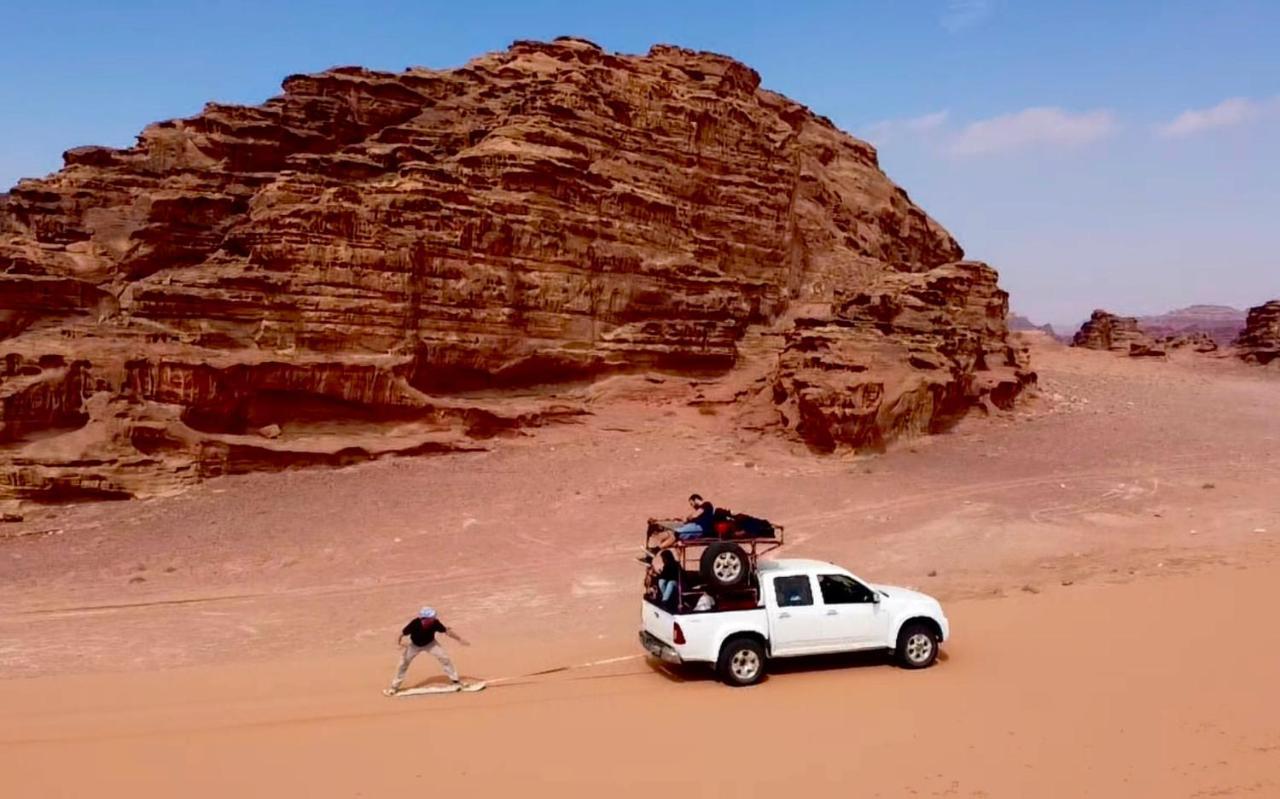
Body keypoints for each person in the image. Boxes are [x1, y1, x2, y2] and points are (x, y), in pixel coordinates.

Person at [384, 606, 469, 695]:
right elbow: (401, 634)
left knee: (445, 658)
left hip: (431, 644)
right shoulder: (415, 623)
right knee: (403, 664)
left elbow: (447, 632)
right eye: (431, 618)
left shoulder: (435, 623)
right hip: (414, 645)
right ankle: (394, 687)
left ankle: (456, 681)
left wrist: (459, 639)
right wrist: (398, 644)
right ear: (424, 619)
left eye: (434, 617)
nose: (434, 619)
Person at [641, 495, 716, 561]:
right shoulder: (703, 510)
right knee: (670, 533)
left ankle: (655, 550)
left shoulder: (706, 504)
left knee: (676, 534)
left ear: (696, 499)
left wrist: (689, 518)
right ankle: (651, 555)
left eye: (692, 503)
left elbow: (694, 515)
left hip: (700, 528)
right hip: (695, 527)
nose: (692, 506)